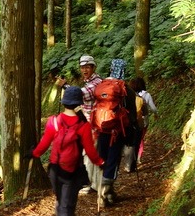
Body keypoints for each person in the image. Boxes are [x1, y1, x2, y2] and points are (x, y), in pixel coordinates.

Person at [27, 86, 105, 216]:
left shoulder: (53, 121)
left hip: (54, 171)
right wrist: (101, 162)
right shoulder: (83, 126)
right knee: (66, 208)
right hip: (71, 172)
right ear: (79, 103)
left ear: (63, 103)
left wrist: (33, 153)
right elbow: (90, 152)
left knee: (62, 203)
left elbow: (44, 144)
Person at [93, 59, 140, 204]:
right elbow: (132, 113)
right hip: (117, 131)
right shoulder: (125, 89)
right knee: (113, 159)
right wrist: (132, 132)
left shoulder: (101, 86)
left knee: (103, 158)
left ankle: (102, 187)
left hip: (102, 128)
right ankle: (106, 192)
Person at [56, 55, 103, 192]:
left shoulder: (96, 83)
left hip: (94, 124)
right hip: (91, 123)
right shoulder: (91, 81)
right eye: (82, 67)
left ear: (93, 67)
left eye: (87, 67)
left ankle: (89, 184)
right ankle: (92, 183)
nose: (84, 70)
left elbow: (80, 95)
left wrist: (65, 86)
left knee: (88, 153)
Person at [128, 77, 158, 164]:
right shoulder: (146, 95)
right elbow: (153, 108)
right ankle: (138, 157)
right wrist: (156, 114)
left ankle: (130, 157)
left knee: (132, 138)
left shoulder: (129, 94)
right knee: (140, 139)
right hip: (143, 120)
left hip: (131, 120)